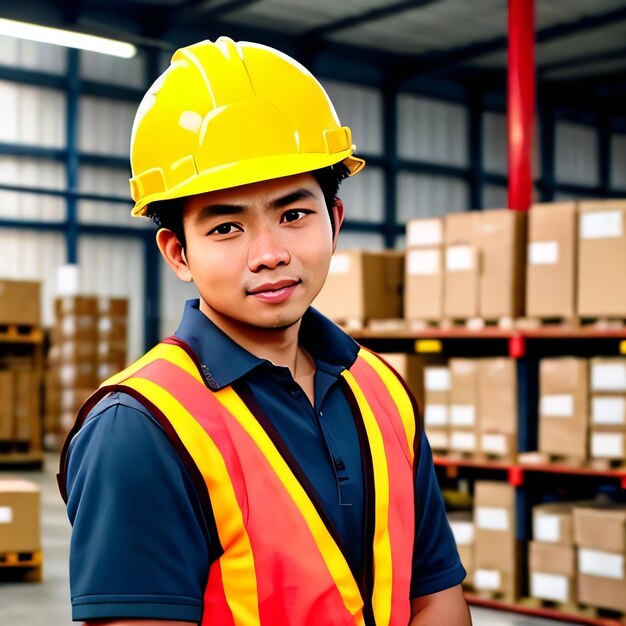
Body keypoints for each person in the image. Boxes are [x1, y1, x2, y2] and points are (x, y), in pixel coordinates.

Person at [58, 36, 471, 626]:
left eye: (293, 214)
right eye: (227, 227)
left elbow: (435, 594)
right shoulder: (141, 429)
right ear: (178, 253)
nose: (269, 253)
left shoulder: (382, 391)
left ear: (335, 220)